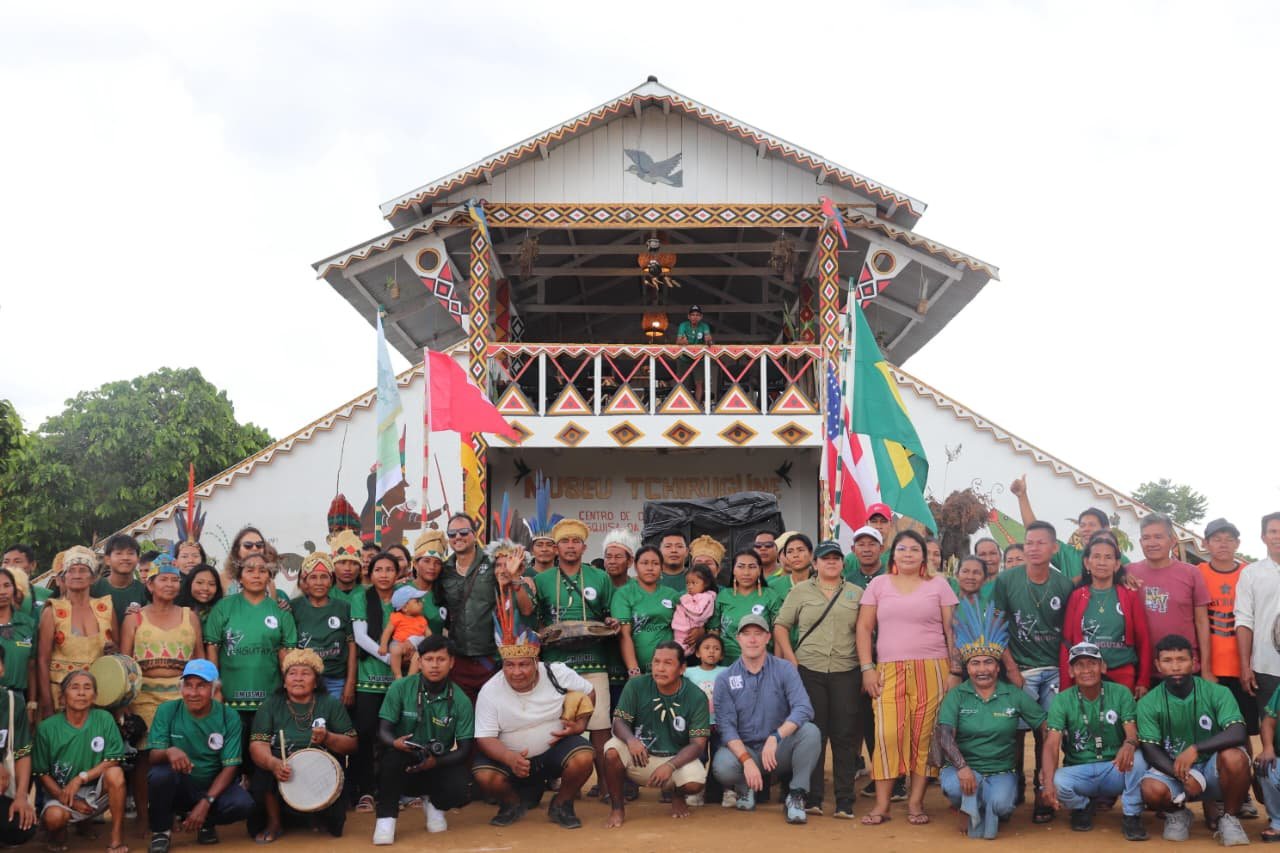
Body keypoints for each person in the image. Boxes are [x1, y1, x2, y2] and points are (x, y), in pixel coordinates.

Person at [856, 529, 959, 825]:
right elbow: (864, 628)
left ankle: (915, 802)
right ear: (893, 554)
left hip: (933, 668)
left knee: (924, 737)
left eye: (915, 549)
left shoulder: (939, 585)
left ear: (924, 556)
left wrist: (955, 670)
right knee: (887, 734)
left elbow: (951, 630)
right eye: (902, 549)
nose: (908, 554)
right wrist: (867, 668)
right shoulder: (879, 584)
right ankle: (882, 805)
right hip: (888, 670)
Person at [934, 602, 1048, 839]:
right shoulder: (957, 695)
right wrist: (963, 768)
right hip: (964, 769)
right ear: (968, 668)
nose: (982, 669)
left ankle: (980, 805)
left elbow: (1044, 725)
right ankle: (968, 802)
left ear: (997, 667)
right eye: (975, 663)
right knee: (954, 786)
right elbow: (944, 735)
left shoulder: (1013, 694)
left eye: (988, 663)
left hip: (1001, 770)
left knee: (1002, 805)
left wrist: (1049, 760)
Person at [472, 624, 596, 830]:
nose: (516, 672)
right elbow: (485, 738)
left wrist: (581, 724)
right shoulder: (490, 690)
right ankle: (511, 804)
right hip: (512, 759)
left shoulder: (556, 673)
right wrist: (509, 758)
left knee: (583, 757)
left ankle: (562, 804)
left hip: (553, 752)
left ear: (536, 662)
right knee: (485, 775)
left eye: (523, 664)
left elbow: (589, 692)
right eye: (509, 665)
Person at [991, 519, 1075, 820]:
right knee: (1013, 731)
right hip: (1019, 669)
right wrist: (1011, 668)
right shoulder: (1006, 580)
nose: (1034, 548)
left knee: (1048, 733)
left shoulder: (1063, 585)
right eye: (1029, 543)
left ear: (1054, 548)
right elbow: (996, 626)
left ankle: (1043, 791)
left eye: (1041, 543)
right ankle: (1014, 785)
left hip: (1053, 670)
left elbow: (1069, 632)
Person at [773, 540, 863, 819]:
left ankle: (845, 800)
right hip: (809, 670)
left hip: (846, 670)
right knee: (814, 733)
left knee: (844, 735)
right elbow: (781, 625)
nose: (831, 562)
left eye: (836, 557)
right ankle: (813, 797)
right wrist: (791, 659)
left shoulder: (856, 593)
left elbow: (866, 630)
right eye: (826, 558)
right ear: (815, 563)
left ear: (843, 563)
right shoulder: (800, 591)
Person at [1137, 633, 1251, 844]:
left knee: (1235, 758)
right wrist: (1182, 775)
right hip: (1174, 768)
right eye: (1167, 661)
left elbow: (1238, 732)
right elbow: (1150, 749)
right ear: (1157, 665)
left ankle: (1229, 818)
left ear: (1194, 662)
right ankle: (1178, 814)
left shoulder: (1218, 692)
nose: (1175, 667)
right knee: (1150, 789)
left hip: (1212, 767)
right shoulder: (1148, 702)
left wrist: (1196, 749)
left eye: (1181, 659)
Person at [533, 519, 617, 797]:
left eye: (575, 541)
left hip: (594, 660)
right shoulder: (541, 580)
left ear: (584, 547)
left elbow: (608, 612)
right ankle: (567, 784)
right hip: (556, 665)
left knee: (600, 726)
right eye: (565, 541)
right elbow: (535, 618)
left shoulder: (600, 577)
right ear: (556, 548)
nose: (570, 546)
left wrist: (611, 621)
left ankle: (605, 786)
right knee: (560, 725)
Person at [711, 614, 820, 823]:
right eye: (746, 634)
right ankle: (744, 787)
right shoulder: (725, 678)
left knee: (810, 732)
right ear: (738, 638)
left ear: (768, 637)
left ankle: (796, 795)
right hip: (746, 749)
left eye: (758, 634)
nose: (752, 639)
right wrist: (746, 760)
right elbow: (726, 726)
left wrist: (776, 736)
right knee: (723, 766)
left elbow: (803, 708)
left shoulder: (785, 669)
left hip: (777, 749)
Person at [121, 559, 203, 830]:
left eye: (175, 580)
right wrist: (126, 705)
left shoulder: (190, 616)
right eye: (163, 579)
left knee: (184, 754)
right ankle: (144, 818)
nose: (170, 584)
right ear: (150, 584)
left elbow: (199, 660)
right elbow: (124, 664)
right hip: (144, 697)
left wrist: (204, 696)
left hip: (183, 697)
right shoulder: (134, 618)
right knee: (146, 757)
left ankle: (175, 814)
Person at [372, 635, 473, 844]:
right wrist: (395, 743)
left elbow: (464, 749)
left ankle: (435, 803)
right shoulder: (400, 688)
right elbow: (383, 730)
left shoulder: (461, 700)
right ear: (419, 662)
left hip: (437, 760)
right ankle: (386, 820)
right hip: (403, 756)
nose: (434, 665)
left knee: (461, 788)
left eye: (441, 659)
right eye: (429, 659)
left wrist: (436, 762)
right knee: (390, 761)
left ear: (451, 662)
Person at [247, 650, 357, 842]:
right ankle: (274, 822)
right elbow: (258, 744)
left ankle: (316, 814)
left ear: (316, 682)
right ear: (284, 681)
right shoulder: (270, 705)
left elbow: (351, 744)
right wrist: (273, 764)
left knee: (335, 825)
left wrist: (328, 737)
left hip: (319, 767)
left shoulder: (330, 704)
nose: (298, 678)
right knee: (263, 770)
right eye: (292, 673)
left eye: (305, 673)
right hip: (282, 765)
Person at [202, 551, 297, 773]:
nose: (256, 575)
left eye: (262, 571)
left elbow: (287, 656)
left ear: (269, 576)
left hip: (269, 701)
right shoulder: (223, 608)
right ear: (239, 576)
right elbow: (212, 649)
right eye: (250, 570)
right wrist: (216, 689)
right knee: (232, 759)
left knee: (264, 763)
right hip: (230, 700)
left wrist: (288, 694)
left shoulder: (280, 611)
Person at [145, 659, 253, 853]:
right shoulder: (167, 710)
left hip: (212, 786)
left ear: (213, 689)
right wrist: (169, 751)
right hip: (182, 787)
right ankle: (161, 832)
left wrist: (205, 803)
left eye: (201, 686)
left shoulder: (229, 716)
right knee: (159, 775)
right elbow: (153, 757)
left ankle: (205, 822)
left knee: (243, 804)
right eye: (188, 685)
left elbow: (230, 766)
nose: (193, 693)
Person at [1040, 641, 1147, 838]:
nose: (1086, 670)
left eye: (1092, 663)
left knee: (1139, 760)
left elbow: (1132, 732)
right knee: (1054, 780)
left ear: (1103, 667)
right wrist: (1047, 783)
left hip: (1115, 767)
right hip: (1080, 769)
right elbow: (1052, 744)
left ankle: (1131, 815)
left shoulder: (1121, 692)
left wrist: (1129, 743)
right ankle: (1082, 807)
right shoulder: (1062, 699)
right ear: (1071, 671)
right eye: (1079, 665)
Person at [603, 641, 711, 827]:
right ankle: (617, 808)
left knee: (694, 783)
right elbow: (619, 722)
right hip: (641, 756)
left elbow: (698, 745)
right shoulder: (636, 685)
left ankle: (677, 796)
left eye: (668, 663)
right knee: (611, 751)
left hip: (675, 760)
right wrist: (631, 740)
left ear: (682, 668)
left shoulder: (696, 696)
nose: (660, 668)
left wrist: (670, 765)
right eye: (656, 662)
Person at [436, 514, 533, 700]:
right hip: (458, 658)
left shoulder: (493, 563)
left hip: (491, 659)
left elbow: (520, 603)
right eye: (452, 534)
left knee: (494, 712)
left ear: (475, 535)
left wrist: (519, 578)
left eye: (464, 532)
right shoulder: (444, 570)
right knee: (463, 712)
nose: (458, 537)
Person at [34, 670, 128, 853]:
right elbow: (42, 773)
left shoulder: (104, 719)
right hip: (62, 793)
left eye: (87, 688)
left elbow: (114, 759)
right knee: (54, 818)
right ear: (62, 697)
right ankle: (60, 830)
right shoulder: (46, 728)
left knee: (116, 773)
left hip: (95, 791)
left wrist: (80, 778)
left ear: (95, 696)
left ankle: (116, 838)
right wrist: (70, 800)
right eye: (74, 687)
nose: (81, 693)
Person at [1060, 533, 1152, 694]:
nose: (1102, 562)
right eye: (1096, 556)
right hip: (1084, 676)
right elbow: (1066, 643)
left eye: (1108, 557)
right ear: (1087, 563)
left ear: (1117, 564)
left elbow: (1143, 640)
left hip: (1122, 676)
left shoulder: (1129, 596)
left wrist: (1143, 680)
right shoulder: (1077, 596)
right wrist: (1065, 688)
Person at [1127, 515, 1212, 683]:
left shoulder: (1191, 573)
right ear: (1140, 542)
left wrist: (1207, 669)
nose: (1152, 543)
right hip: (1142, 671)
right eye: (1146, 538)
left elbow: (1202, 622)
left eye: (1158, 537)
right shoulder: (1128, 572)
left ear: (1172, 540)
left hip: (1184, 668)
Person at [347, 551, 400, 812]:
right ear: (370, 572)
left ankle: (393, 791)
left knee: (395, 737)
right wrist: (390, 658)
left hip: (398, 682)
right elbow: (360, 637)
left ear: (398, 573)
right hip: (368, 680)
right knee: (366, 735)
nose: (384, 575)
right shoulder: (360, 597)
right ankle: (366, 791)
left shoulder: (404, 596)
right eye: (378, 569)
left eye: (389, 569)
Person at [37, 546, 116, 716]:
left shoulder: (106, 609)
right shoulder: (53, 611)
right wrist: (47, 704)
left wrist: (113, 651)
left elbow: (119, 652)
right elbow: (42, 660)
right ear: (64, 578)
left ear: (93, 578)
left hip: (98, 695)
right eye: (71, 570)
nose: (77, 575)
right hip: (60, 696)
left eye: (83, 570)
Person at [1199, 519, 1255, 735]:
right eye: (1216, 539)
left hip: (1245, 667)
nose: (1223, 544)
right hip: (1211, 668)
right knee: (1214, 728)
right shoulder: (1197, 573)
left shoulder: (1250, 573)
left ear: (1237, 544)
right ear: (1205, 543)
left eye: (1229, 539)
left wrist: (1250, 665)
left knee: (1247, 727)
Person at [1011, 475, 1127, 579]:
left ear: (1106, 529)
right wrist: (1022, 497)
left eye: (1092, 525)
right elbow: (1036, 531)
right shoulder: (1068, 555)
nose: (1086, 529)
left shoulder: (1120, 559)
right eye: (1082, 525)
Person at [289, 552, 355, 704]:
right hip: (303, 680)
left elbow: (351, 646)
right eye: (313, 577)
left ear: (331, 581)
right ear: (305, 582)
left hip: (336, 681)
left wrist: (350, 683)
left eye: (324, 577)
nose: (319, 582)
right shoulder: (294, 607)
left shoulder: (343, 608)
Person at [1236, 512, 1280, 728]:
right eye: (1273, 531)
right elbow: (1244, 621)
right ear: (1263, 537)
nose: (1278, 536)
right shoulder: (1251, 574)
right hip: (1265, 668)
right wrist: (1245, 666)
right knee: (1271, 729)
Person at [613, 545, 676, 677]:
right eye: (644, 563)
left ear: (662, 567)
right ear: (636, 566)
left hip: (669, 669)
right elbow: (624, 635)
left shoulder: (672, 595)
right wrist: (634, 671)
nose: (650, 568)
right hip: (638, 671)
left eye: (655, 563)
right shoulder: (624, 594)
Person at [0, 645, 36, 846]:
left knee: (21, 826)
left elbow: (22, 752)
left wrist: (21, 796)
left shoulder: (13, 702)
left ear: (2, 669)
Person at [0, 568, 38, 712]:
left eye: (7, 585)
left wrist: (32, 703)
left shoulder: (28, 624)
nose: (2, 592)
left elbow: (31, 666)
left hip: (17, 700)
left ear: (14, 589)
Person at [92, 533, 148, 622]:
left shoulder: (145, 592)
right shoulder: (94, 589)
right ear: (107, 560)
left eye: (130, 553)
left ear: (138, 559)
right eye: (119, 553)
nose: (125, 558)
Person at [380, 586, 430, 678]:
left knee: (417, 656)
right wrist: (383, 645)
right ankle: (398, 675)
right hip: (398, 643)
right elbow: (387, 632)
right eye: (417, 601)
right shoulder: (397, 617)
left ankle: (410, 676)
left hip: (415, 647)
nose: (421, 603)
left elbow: (429, 635)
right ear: (405, 607)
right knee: (395, 650)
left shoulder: (422, 619)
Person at [670, 564, 717, 656]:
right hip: (680, 630)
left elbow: (698, 614)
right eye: (688, 583)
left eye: (694, 583)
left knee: (679, 654)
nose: (690, 586)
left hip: (689, 632)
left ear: (706, 583)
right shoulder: (689, 596)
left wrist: (685, 601)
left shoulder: (706, 597)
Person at [676, 306, 713, 400]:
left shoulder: (704, 326)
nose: (695, 317)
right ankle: (686, 405)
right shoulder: (683, 325)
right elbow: (678, 341)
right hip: (684, 358)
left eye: (697, 315)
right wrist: (683, 341)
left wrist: (709, 340)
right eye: (692, 315)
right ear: (688, 316)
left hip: (698, 359)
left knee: (699, 383)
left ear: (701, 317)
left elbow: (709, 341)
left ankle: (697, 405)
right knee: (683, 383)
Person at [176, 564, 222, 631]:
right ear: (190, 583)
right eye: (199, 583)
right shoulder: (175, 610)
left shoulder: (221, 612)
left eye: (211, 584)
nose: (205, 588)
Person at [326, 530, 364, 605]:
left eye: (354, 563)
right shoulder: (324, 596)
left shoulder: (370, 595)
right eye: (342, 562)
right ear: (333, 566)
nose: (347, 568)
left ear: (360, 568)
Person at [771, 533, 814, 597]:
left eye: (800, 550)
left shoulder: (821, 584)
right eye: (790, 551)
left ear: (811, 555)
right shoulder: (774, 586)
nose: (795, 555)